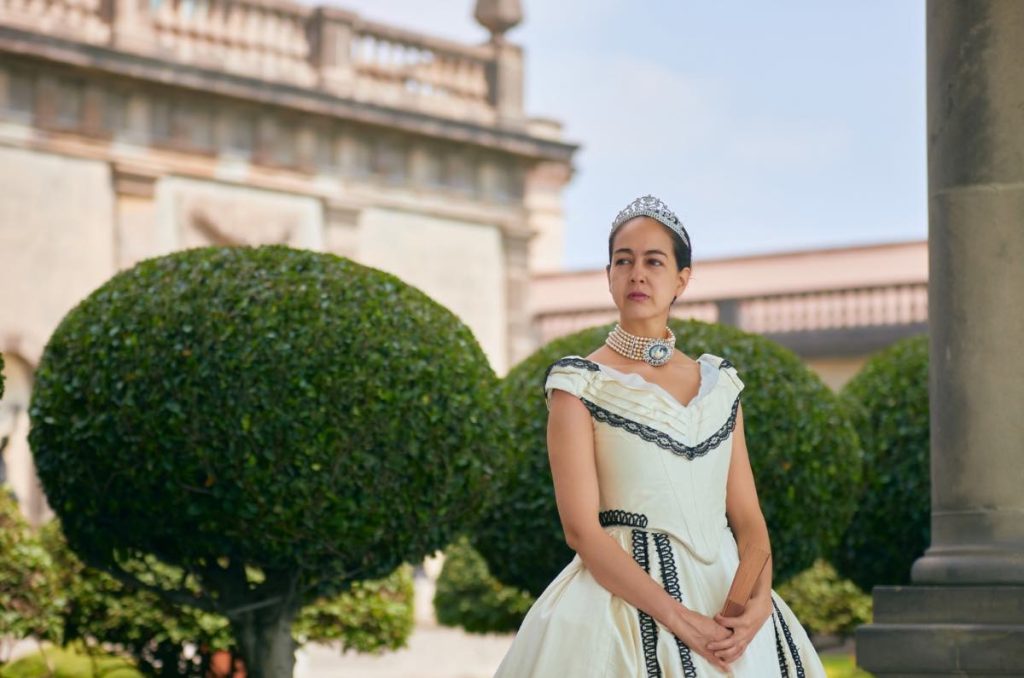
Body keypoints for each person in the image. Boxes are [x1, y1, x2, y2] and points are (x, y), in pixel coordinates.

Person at [493, 195, 825, 677]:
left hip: (729, 611)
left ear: (682, 280)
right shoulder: (577, 384)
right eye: (623, 262)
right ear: (608, 276)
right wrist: (681, 621)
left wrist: (757, 607)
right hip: (618, 613)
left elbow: (749, 521)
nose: (637, 274)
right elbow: (582, 530)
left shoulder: (721, 386)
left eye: (654, 261)